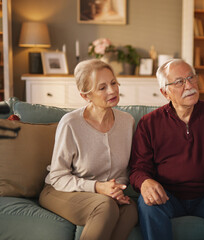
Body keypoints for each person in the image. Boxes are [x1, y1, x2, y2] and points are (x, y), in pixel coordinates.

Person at [129, 59, 204, 240]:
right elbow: (139, 168)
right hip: (168, 196)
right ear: (165, 92)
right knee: (148, 205)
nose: (189, 85)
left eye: (191, 77)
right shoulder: (148, 123)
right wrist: (145, 182)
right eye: (179, 82)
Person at [39, 59, 138, 240]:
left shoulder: (127, 121)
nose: (112, 90)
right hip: (60, 190)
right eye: (102, 87)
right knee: (105, 206)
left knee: (130, 208)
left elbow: (124, 170)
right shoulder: (71, 123)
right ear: (86, 96)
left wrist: (115, 189)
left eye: (113, 83)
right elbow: (58, 176)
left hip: (104, 194)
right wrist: (98, 187)